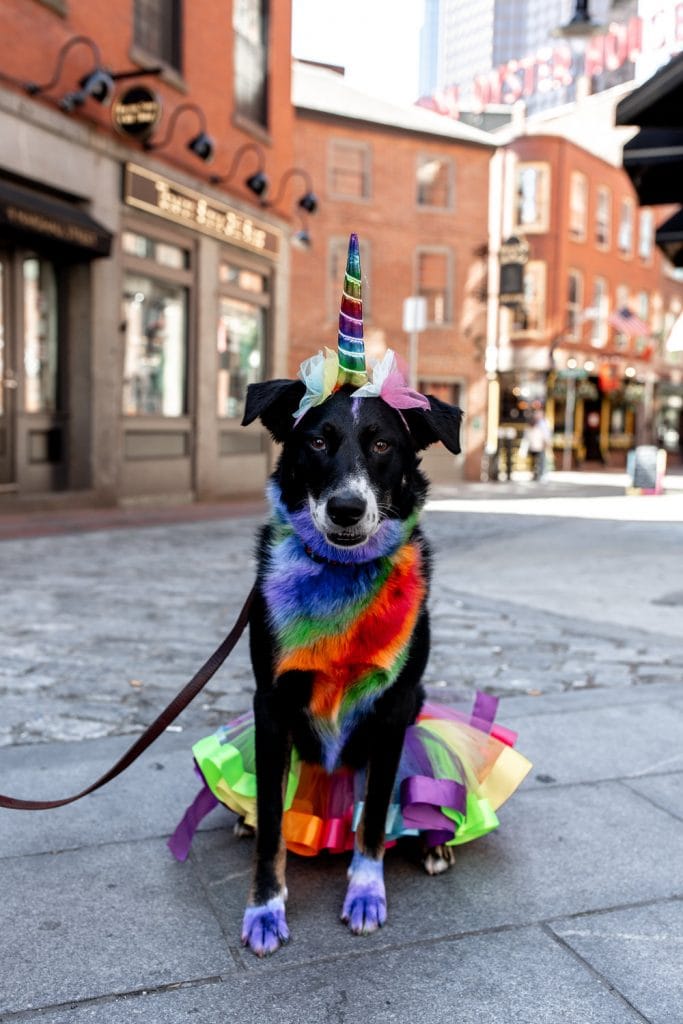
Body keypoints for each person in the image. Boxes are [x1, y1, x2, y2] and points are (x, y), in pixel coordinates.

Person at [523, 406, 552, 481]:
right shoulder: (532, 423)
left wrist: (547, 443)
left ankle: (541, 474)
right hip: (533, 445)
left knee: (541, 461)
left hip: (540, 445)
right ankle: (535, 474)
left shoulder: (543, 423)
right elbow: (527, 434)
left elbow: (546, 435)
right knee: (534, 461)